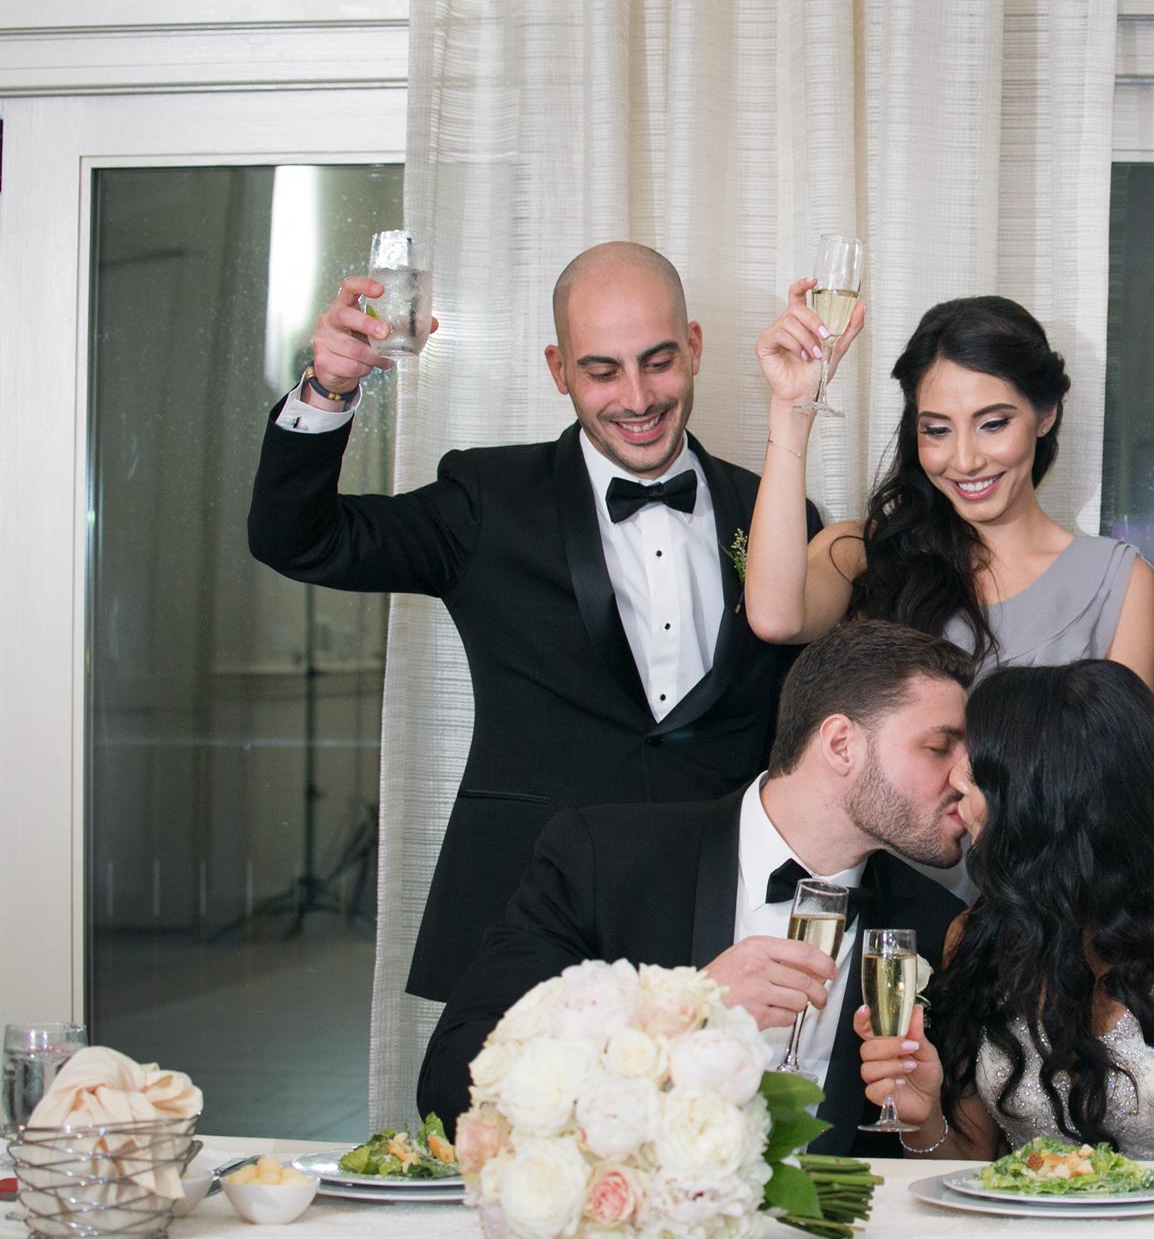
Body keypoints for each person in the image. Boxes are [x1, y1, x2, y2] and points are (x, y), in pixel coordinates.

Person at [248, 242, 820, 1003]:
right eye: (602, 371)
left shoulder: (777, 515)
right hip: (532, 916)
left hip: (723, 918)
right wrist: (328, 389)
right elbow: (298, 539)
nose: (638, 398)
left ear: (694, 347)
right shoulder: (488, 499)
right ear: (559, 370)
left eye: (657, 362)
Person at [416, 620, 972, 1154]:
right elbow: (451, 1079)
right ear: (841, 744)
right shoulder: (603, 861)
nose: (966, 779)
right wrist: (677, 1016)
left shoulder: (937, 926)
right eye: (939, 747)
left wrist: (922, 1124)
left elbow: (947, 1163)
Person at [855, 660, 1154, 1160]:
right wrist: (923, 1118)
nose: (955, 781)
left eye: (983, 768)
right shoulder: (977, 938)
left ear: (1047, 799)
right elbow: (965, 1169)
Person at [743, 286, 1154, 690]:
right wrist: (793, 407)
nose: (965, 461)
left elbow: (1120, 740)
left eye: (993, 424)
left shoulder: (1118, 582)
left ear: (1046, 415)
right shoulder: (864, 553)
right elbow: (776, 620)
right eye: (937, 430)